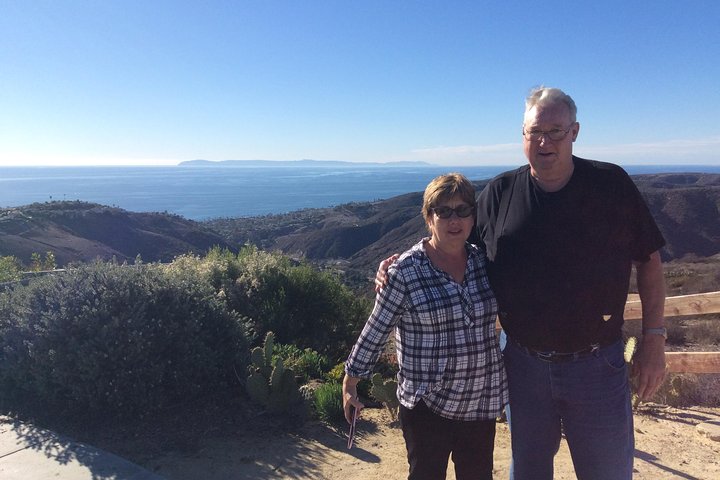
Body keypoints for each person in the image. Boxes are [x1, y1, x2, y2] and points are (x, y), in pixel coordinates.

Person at [376, 87, 667, 480]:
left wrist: (654, 339)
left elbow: (649, 261)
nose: (545, 141)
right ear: (523, 135)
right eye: (535, 132)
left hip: (597, 365)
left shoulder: (610, 184)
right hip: (523, 366)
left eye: (555, 131)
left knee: (607, 473)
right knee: (528, 471)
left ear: (575, 131)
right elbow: (457, 245)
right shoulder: (500, 193)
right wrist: (402, 264)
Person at [344, 173, 508, 480]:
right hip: (427, 404)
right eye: (443, 211)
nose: (454, 219)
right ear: (429, 218)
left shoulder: (484, 262)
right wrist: (351, 380)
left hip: (480, 401)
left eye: (462, 210)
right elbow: (376, 329)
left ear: (473, 217)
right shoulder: (406, 271)